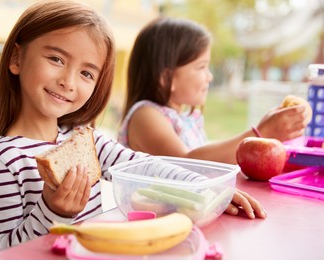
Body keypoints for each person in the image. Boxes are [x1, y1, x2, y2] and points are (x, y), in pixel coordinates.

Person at [0, 2, 265, 257]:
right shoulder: (1, 161)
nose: (69, 81)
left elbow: (146, 168)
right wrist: (52, 211)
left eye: (86, 73)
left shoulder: (87, 141)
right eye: (56, 59)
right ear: (16, 59)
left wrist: (206, 190)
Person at [118, 16, 309, 166]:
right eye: (202, 67)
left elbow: (211, 158)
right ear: (166, 78)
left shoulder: (185, 117)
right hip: (158, 216)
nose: (209, 76)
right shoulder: (145, 116)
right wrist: (261, 133)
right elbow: (187, 164)